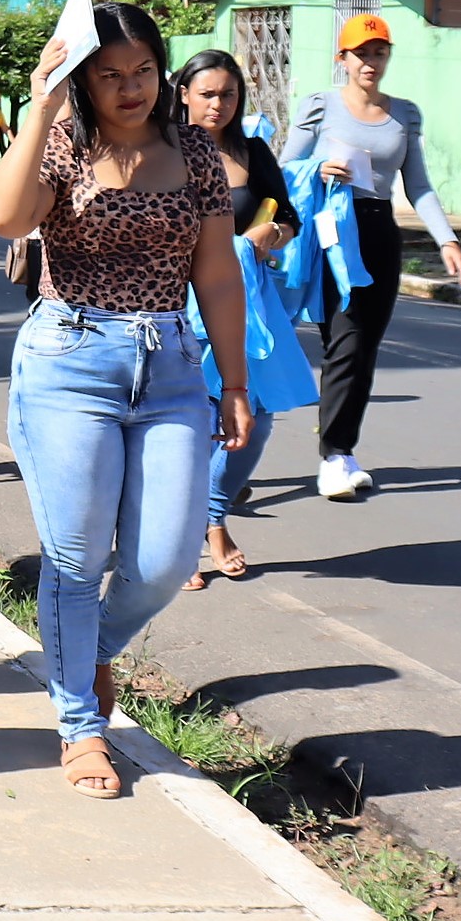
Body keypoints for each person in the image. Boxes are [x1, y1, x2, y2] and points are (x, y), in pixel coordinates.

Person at [0, 2, 251, 800]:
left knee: (166, 560)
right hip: (70, 361)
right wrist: (40, 108)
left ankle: (83, 647)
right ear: (82, 78)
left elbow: (219, 274)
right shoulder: (61, 147)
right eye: (109, 74)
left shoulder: (195, 152)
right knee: (76, 555)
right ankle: (81, 727)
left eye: (143, 71)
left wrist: (233, 382)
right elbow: (4, 218)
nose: (130, 88)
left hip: (169, 364)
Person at [282, 14, 461, 500]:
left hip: (379, 230)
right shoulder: (320, 107)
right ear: (341, 59)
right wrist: (319, 167)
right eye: (361, 53)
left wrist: (446, 239)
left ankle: (340, 450)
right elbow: (283, 168)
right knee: (345, 337)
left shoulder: (405, 113)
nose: (371, 61)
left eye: (379, 51)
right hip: (330, 231)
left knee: (364, 347)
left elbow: (419, 185)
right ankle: (334, 456)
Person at [171, 51, 303, 591]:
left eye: (228, 94)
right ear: (182, 94)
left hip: (241, 305)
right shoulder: (162, 148)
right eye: (207, 94)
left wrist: (266, 238)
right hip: (176, 305)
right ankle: (183, 543)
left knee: (256, 418)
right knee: (188, 425)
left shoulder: (250, 150)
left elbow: (287, 214)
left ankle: (212, 517)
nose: (218, 104)